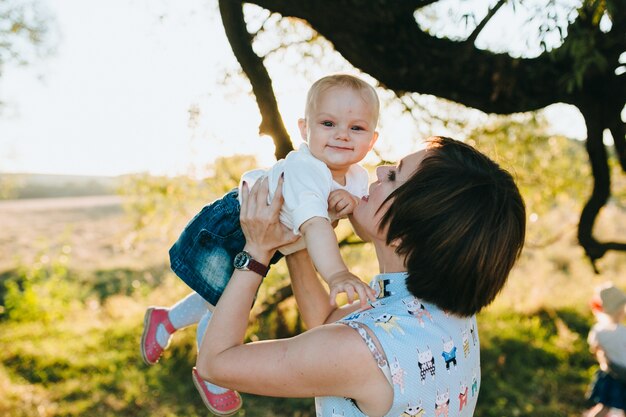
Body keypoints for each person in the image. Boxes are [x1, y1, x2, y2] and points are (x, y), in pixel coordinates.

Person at [196, 136, 526, 416]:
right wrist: (299, 232)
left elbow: (215, 365)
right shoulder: (446, 314)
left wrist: (256, 251)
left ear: (407, 232)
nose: (380, 170)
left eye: (395, 176)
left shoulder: (360, 352)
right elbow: (326, 319)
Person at [140, 74, 379, 415]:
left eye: (356, 128)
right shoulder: (306, 168)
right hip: (235, 221)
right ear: (304, 128)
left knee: (226, 295)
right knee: (227, 302)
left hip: (271, 236)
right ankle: (212, 373)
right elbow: (315, 224)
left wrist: (350, 202)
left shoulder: (356, 176)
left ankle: (166, 320)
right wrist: (337, 273)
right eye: (328, 123)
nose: (342, 134)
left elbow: (359, 221)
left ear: (372, 140)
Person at [585, 283, 626, 417]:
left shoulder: (597, 330)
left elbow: (594, 349)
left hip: (608, 374)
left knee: (603, 408)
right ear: (620, 311)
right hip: (623, 376)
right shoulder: (623, 332)